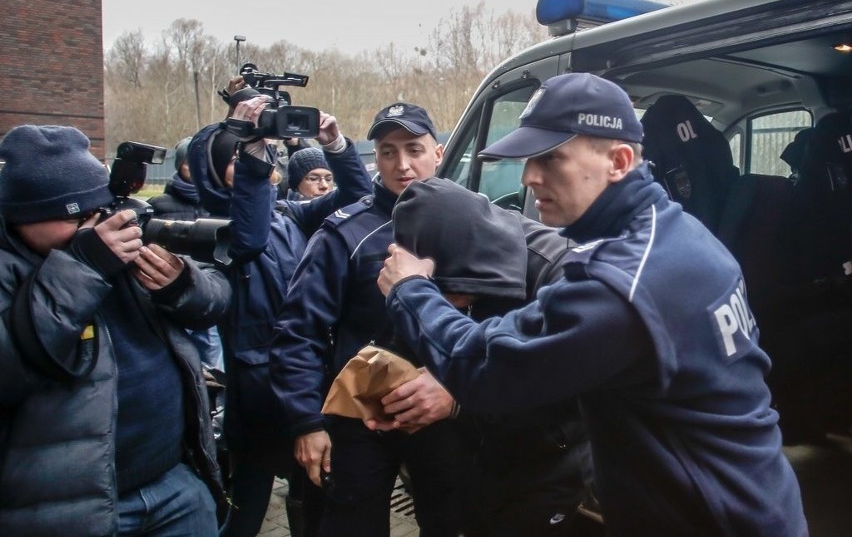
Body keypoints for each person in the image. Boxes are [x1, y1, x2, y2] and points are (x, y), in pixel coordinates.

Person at [377, 73, 808, 536]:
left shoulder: (619, 285)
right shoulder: (676, 231)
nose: (528, 176)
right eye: (527, 159)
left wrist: (410, 289)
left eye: (551, 158)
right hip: (750, 498)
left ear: (619, 160)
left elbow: (484, 369)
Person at [0, 125, 231, 536]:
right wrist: (81, 269)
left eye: (97, 211)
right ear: (23, 216)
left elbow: (216, 300)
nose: (95, 227)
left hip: (174, 480)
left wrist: (180, 284)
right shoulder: (14, 267)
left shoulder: (114, 242)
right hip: (70, 509)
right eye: (75, 217)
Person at [269, 103, 466, 537]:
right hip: (358, 419)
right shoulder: (344, 233)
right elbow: (299, 331)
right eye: (388, 151)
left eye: (414, 149)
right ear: (374, 158)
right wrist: (307, 423)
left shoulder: (473, 225)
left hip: (442, 411)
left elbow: (499, 321)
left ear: (439, 152)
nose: (403, 164)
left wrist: (460, 393)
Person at [189, 91, 373, 537]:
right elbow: (247, 238)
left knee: (311, 503)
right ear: (214, 172)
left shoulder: (289, 215)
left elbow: (358, 196)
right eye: (238, 159)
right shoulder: (205, 232)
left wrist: (336, 146)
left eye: (259, 156)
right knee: (247, 513)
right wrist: (253, 156)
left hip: (305, 380)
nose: (257, 163)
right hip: (259, 397)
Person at [372, 177, 598, 536]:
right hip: (465, 457)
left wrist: (461, 394)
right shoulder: (431, 269)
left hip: (544, 466)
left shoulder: (562, 276)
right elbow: (417, 339)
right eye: (428, 291)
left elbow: (573, 402)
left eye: (447, 293)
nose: (440, 307)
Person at [148, 135, 224, 371]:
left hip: (208, 285)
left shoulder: (217, 204)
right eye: (189, 164)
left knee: (212, 351)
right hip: (171, 286)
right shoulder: (158, 204)